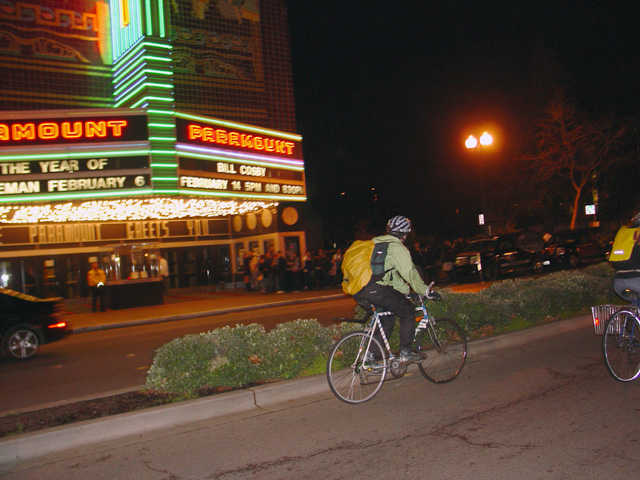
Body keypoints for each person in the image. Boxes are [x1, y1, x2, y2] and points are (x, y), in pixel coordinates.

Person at [353, 215, 434, 364]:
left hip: (357, 289)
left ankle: (370, 356)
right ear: (405, 233)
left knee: (387, 318)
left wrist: (407, 292)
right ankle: (406, 352)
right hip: (375, 289)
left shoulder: (374, 243)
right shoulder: (397, 248)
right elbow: (409, 273)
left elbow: (389, 275)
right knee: (408, 311)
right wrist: (424, 291)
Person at [613, 212, 640, 301]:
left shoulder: (626, 234)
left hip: (618, 283)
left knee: (636, 303)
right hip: (636, 281)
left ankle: (631, 314)